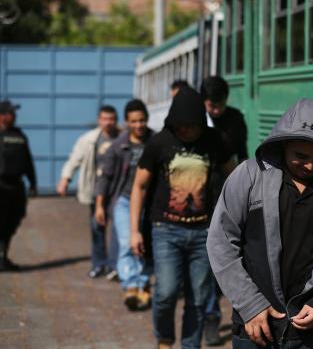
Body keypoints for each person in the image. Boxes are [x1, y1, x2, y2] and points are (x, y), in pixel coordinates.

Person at [207, 99, 313, 349]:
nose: (309, 165)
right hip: (254, 330)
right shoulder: (249, 176)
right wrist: (250, 305)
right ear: (282, 144)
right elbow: (221, 242)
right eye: (301, 156)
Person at [130, 87, 236, 349]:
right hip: (165, 229)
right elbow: (139, 186)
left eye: (192, 127)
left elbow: (234, 179)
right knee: (165, 293)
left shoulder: (215, 141)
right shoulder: (160, 143)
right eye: (181, 127)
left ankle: (191, 345)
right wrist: (134, 230)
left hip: (204, 233)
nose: (187, 132)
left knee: (198, 298)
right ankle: (164, 339)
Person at [200, 76, 249, 346]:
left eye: (219, 104)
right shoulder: (194, 120)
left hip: (229, 197)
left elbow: (241, 155)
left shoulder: (235, 119)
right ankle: (210, 317)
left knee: (231, 259)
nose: (215, 110)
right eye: (210, 104)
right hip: (203, 200)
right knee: (210, 263)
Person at [94, 99, 154, 310]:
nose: (139, 125)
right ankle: (130, 285)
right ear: (127, 122)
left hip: (150, 204)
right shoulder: (117, 147)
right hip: (124, 201)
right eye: (134, 121)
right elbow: (105, 178)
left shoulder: (156, 141)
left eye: (142, 120)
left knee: (146, 244)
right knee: (127, 242)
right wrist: (100, 205)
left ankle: (144, 284)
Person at [57, 105, 120, 279]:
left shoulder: (122, 138)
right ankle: (99, 264)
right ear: (99, 120)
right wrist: (65, 179)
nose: (108, 122)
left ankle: (114, 266)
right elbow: (74, 158)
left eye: (112, 119)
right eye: (105, 119)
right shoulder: (89, 139)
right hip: (96, 190)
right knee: (97, 226)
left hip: (116, 191)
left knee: (117, 228)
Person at [0, 101, 37, 271]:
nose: (14, 116)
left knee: (12, 222)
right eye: (10, 113)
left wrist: (33, 183)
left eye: (14, 113)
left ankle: (3, 257)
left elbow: (28, 161)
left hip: (16, 187)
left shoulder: (20, 135)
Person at [201, 76, 248, 163]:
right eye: (212, 106)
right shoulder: (197, 118)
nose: (217, 110)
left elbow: (242, 152)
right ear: (203, 100)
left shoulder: (236, 118)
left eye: (222, 104)